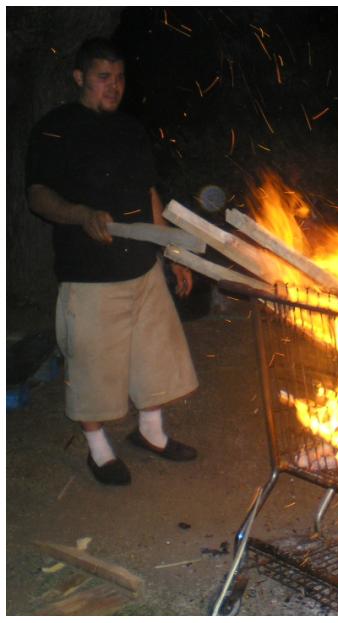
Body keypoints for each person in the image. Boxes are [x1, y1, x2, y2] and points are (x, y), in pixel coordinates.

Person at [25, 37, 199, 486]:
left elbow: (149, 194)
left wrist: (169, 252)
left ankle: (151, 433)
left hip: (141, 264)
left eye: (119, 78)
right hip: (90, 273)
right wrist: (81, 214)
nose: (114, 86)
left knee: (156, 359)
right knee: (93, 367)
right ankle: (98, 450)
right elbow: (38, 194)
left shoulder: (130, 129)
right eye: (103, 77)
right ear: (79, 77)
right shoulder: (54, 128)